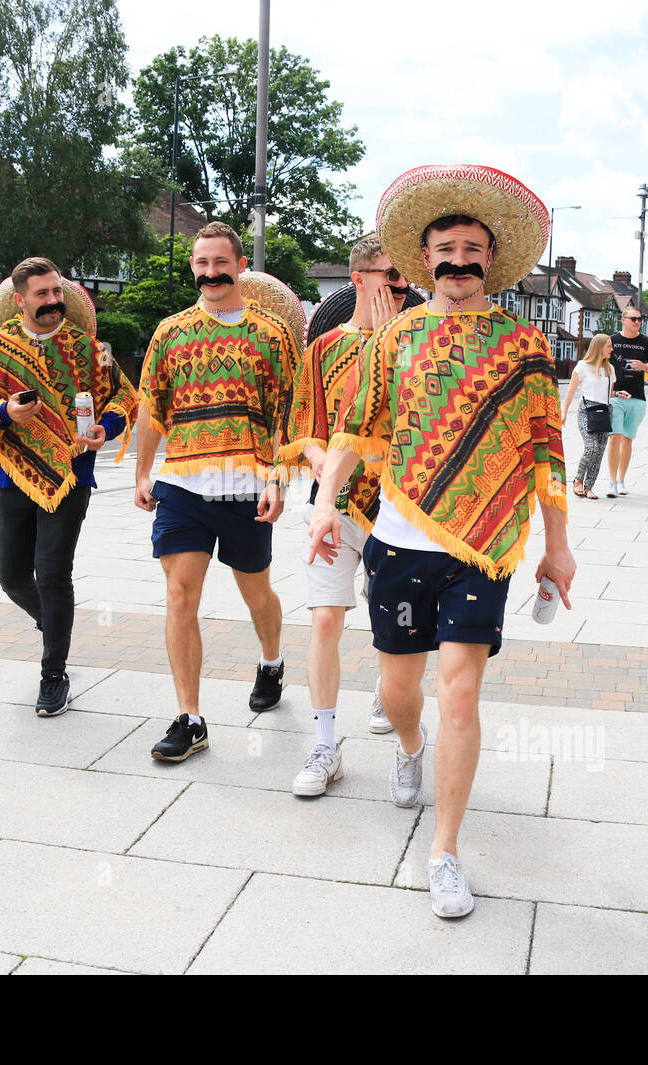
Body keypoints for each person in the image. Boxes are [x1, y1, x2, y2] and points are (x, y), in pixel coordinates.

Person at [309, 164, 575, 918]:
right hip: (397, 540)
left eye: (472, 248)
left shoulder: (525, 346)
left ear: (490, 259)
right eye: (445, 248)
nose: (459, 260)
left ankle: (445, 850)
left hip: (481, 547)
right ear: (425, 261)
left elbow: (546, 452)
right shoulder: (396, 338)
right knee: (401, 693)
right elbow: (357, 429)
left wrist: (556, 546)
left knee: (459, 691)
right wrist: (326, 503)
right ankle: (408, 745)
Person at [134, 222, 299, 761]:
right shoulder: (169, 331)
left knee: (256, 593)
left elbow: (289, 417)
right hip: (182, 483)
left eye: (220, 263)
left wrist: (278, 479)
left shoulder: (271, 334)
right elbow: (151, 408)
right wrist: (142, 472)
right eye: (201, 264)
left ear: (239, 267)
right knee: (180, 596)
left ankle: (271, 659)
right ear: (193, 268)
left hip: (246, 484)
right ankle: (190, 718)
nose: (210, 273)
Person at [0, 257, 138, 715]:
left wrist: (107, 426)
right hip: (13, 471)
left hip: (71, 471)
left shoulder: (92, 348)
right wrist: (5, 414)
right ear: (19, 300)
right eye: (42, 294)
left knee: (53, 573)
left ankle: (53, 674)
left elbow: (126, 395)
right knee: (11, 576)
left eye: (57, 292)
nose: (52, 302)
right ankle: (51, 623)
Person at [280, 235, 406, 793]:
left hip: (401, 509)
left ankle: (392, 696)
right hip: (332, 506)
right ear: (359, 278)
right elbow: (301, 426)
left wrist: (387, 342)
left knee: (394, 625)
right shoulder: (325, 347)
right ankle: (325, 743)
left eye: (408, 281)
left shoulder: (417, 344)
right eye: (392, 278)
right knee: (326, 618)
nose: (403, 290)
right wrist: (323, 465)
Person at [605, 305, 648, 496]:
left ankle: (621, 480)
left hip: (637, 397)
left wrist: (645, 367)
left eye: (639, 319)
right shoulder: (612, 340)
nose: (637, 322)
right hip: (615, 396)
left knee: (627, 440)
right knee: (614, 438)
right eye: (633, 319)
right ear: (623, 320)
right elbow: (601, 363)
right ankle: (611, 482)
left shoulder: (647, 343)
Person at [561, 334, 614, 497]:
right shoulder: (582, 366)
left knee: (600, 451)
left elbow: (610, 393)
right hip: (587, 411)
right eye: (609, 346)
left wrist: (620, 394)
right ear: (599, 347)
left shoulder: (610, 369)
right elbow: (570, 391)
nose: (612, 349)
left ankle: (589, 487)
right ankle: (578, 479)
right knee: (591, 447)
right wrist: (563, 413)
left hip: (605, 411)